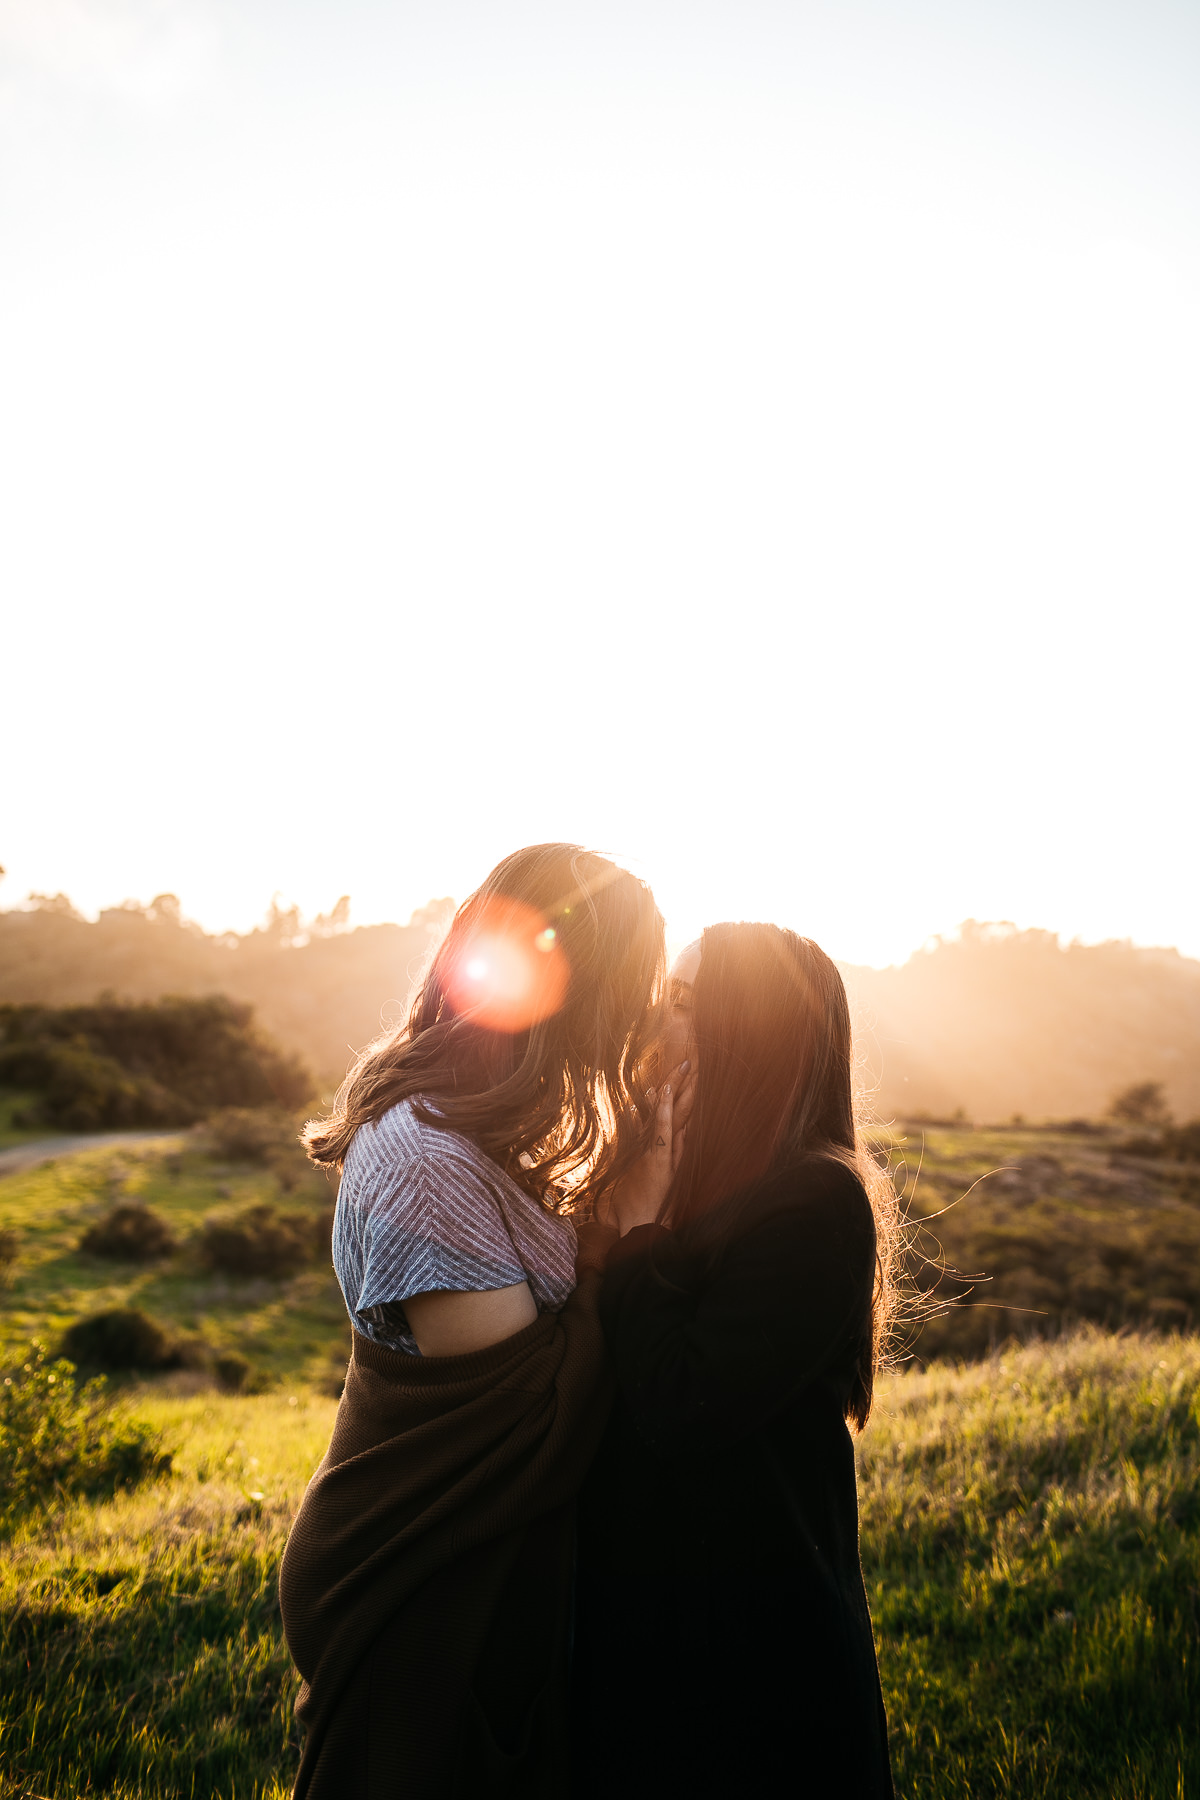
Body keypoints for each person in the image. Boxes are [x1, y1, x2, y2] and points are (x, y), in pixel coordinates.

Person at [278, 843, 665, 1800]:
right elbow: (518, 1429)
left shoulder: (485, 1131)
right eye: (642, 988)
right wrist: (636, 1237)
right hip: (416, 1574)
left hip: (468, 1571)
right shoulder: (428, 1159)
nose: (650, 1017)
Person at [572, 921, 898, 1800]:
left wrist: (636, 1239)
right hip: (648, 1628)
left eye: (682, 1001)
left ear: (743, 1033)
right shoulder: (673, 1171)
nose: (654, 1018)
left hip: (754, 1656)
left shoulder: (817, 1202)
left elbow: (684, 1404)